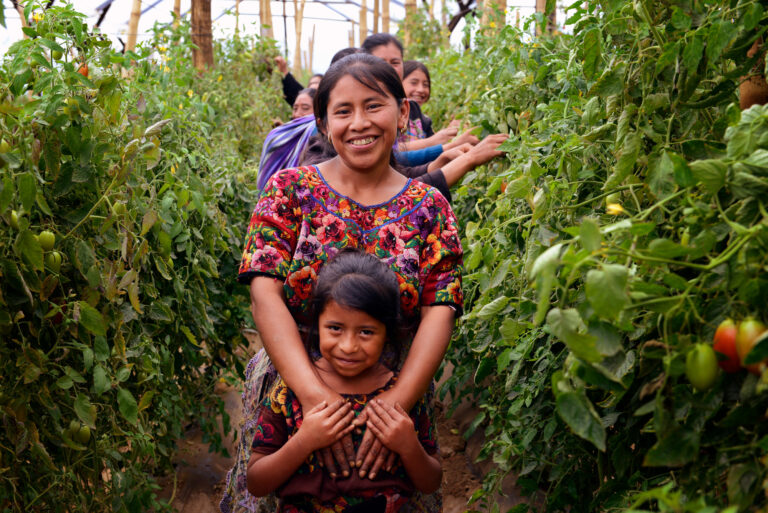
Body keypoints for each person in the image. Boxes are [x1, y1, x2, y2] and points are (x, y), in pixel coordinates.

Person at [221, 52, 463, 513]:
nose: (360, 123)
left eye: (374, 105)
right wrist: (314, 400)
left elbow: (441, 308)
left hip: (395, 391)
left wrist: (394, 405)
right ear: (323, 123)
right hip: (291, 393)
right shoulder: (288, 191)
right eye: (343, 111)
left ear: (403, 112)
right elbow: (263, 292)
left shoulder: (430, 206)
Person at [246, 250, 441, 511]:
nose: (348, 346)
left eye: (366, 331)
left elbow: (431, 482)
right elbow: (256, 482)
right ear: (317, 324)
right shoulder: (288, 392)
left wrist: (409, 447)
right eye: (335, 328)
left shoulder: (402, 395)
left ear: (388, 334)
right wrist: (304, 441)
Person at [361, 34, 476, 151]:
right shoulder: (362, 107)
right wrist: (436, 142)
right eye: (382, 62)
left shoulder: (413, 109)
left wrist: (452, 134)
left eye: (395, 62)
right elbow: (386, 152)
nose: (389, 69)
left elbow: (434, 147)